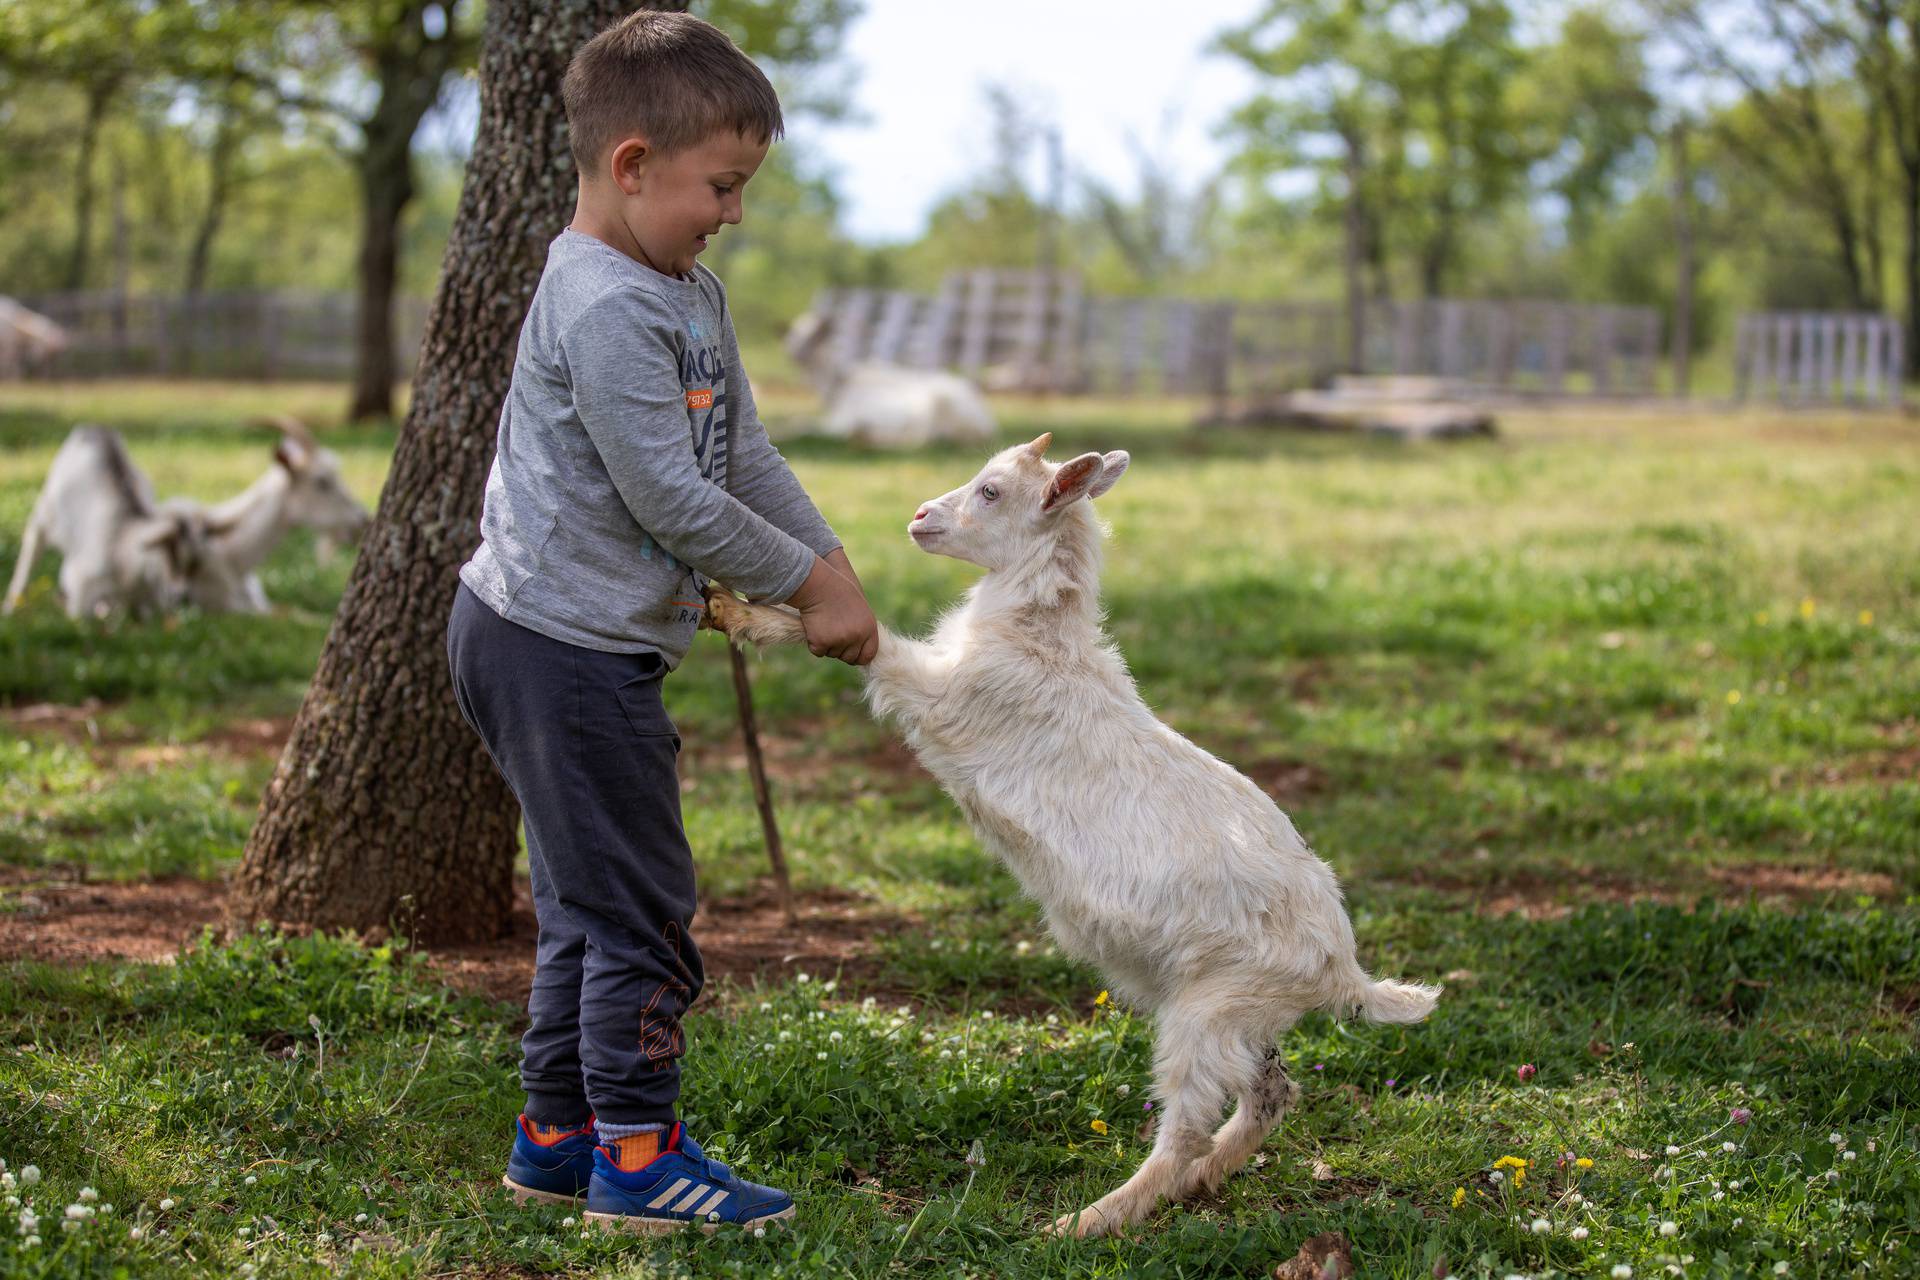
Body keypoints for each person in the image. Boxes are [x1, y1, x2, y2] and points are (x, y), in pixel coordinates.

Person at [445, 9, 877, 1234]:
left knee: (588, 902)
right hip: (552, 652)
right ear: (632, 165)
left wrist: (831, 561)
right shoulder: (601, 304)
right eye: (720, 186)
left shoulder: (688, 290)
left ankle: (556, 1136)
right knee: (640, 905)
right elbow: (671, 495)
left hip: (577, 646)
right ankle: (638, 1159)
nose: (733, 211)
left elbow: (741, 450)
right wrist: (805, 589)